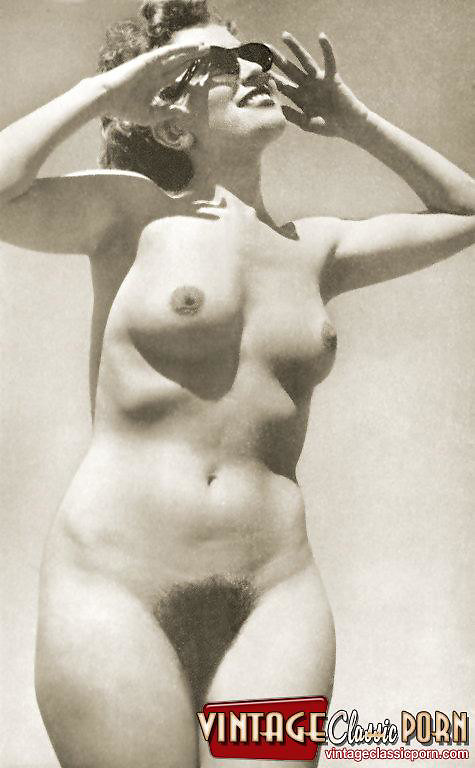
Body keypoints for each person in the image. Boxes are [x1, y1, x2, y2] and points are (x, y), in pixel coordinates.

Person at [0, 1, 473, 766]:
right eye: (215, 64)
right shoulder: (127, 215)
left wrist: (354, 122)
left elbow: (466, 211)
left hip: (274, 593)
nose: (250, 69)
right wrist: (108, 91)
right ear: (170, 124)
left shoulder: (317, 249)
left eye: (252, 54)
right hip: (115, 584)